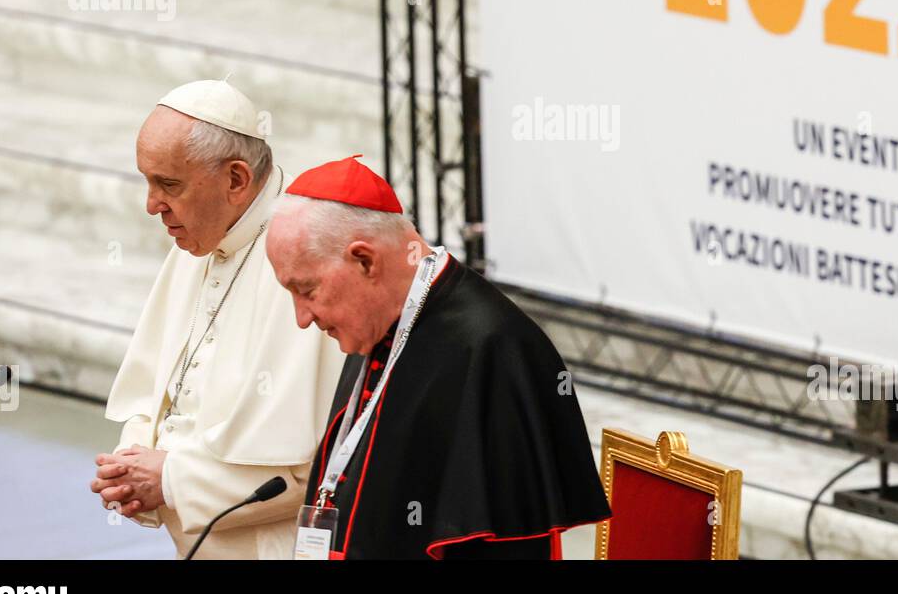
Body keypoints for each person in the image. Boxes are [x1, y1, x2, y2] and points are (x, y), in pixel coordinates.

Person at [265, 155, 610, 559]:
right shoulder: (380, 319)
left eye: (306, 291)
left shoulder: (494, 351)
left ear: (365, 260)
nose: (302, 318)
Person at [91, 78, 344, 558]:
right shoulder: (200, 236)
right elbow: (154, 396)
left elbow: (306, 471)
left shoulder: (306, 260)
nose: (152, 206)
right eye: (147, 181)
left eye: (169, 185)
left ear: (235, 179)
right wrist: (131, 466)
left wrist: (167, 480)